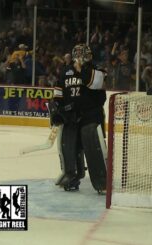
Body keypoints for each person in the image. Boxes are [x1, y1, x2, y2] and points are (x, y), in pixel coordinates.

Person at [50, 44, 107, 193]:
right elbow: (58, 91)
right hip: (71, 117)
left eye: (84, 54)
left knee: (92, 146)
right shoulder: (65, 71)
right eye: (78, 54)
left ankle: (101, 181)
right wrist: (57, 109)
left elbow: (96, 84)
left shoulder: (97, 70)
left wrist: (82, 70)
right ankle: (71, 174)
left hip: (91, 116)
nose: (81, 57)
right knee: (68, 145)